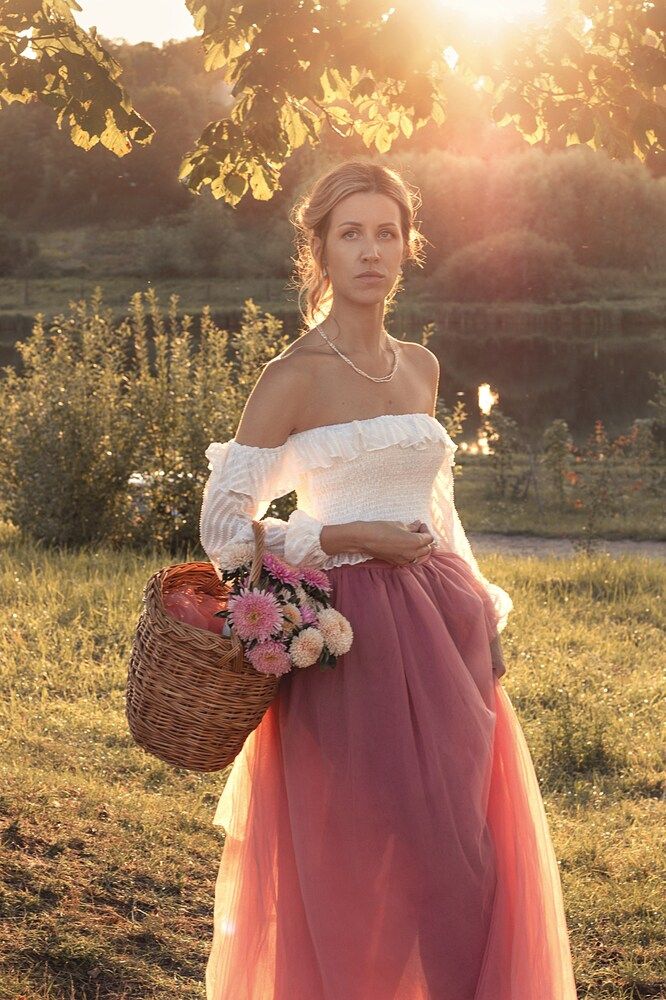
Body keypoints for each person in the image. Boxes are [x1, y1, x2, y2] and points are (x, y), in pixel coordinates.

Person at [198, 158, 577, 1000]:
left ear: (407, 247)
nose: (371, 251)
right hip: (347, 641)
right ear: (321, 252)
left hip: (442, 626)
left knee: (461, 851)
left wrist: (482, 615)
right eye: (351, 234)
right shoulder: (292, 375)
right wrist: (347, 535)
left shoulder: (420, 366)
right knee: (360, 864)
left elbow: (438, 509)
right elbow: (223, 529)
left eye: (386, 233)